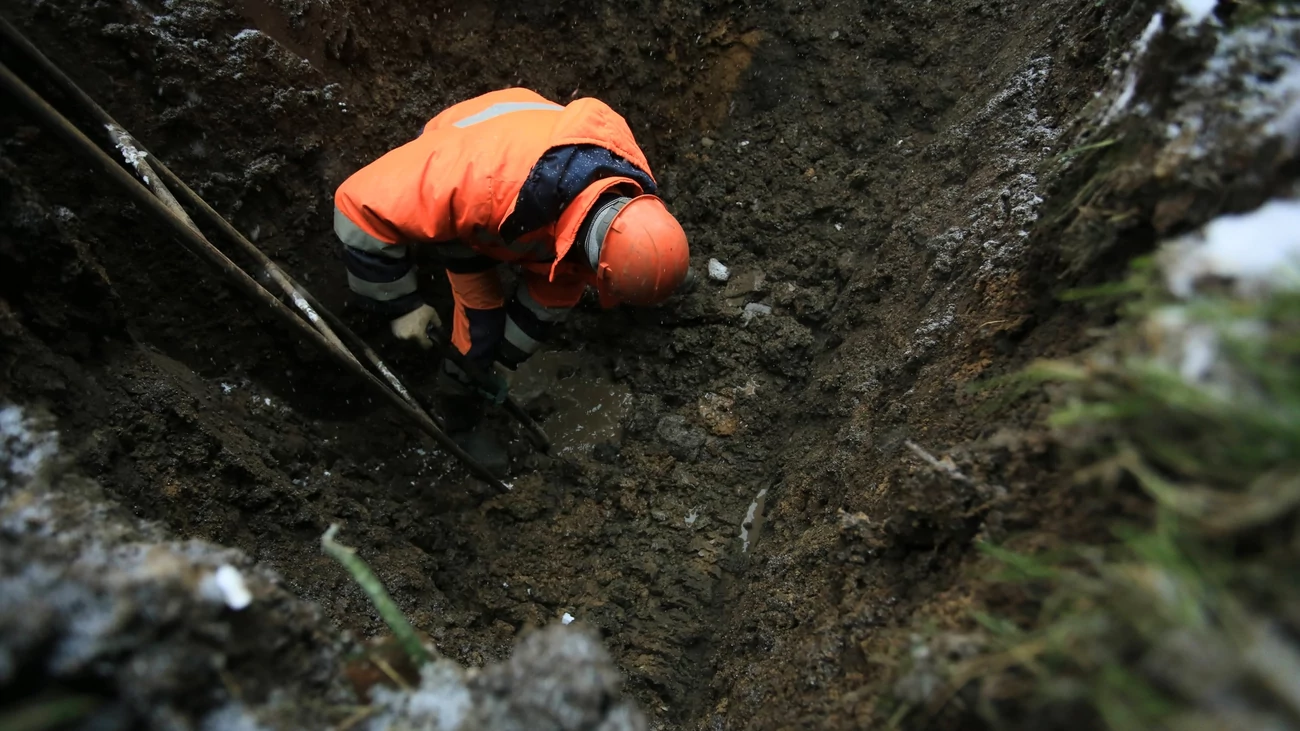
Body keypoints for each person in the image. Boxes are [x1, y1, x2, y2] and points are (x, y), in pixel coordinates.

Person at [332, 87, 693, 473]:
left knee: (495, 345)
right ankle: (460, 422)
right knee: (479, 329)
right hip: (476, 168)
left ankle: (479, 374)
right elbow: (356, 207)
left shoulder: (625, 194)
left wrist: (505, 361)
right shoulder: (474, 183)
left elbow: (558, 285)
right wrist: (400, 305)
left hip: (531, 189)